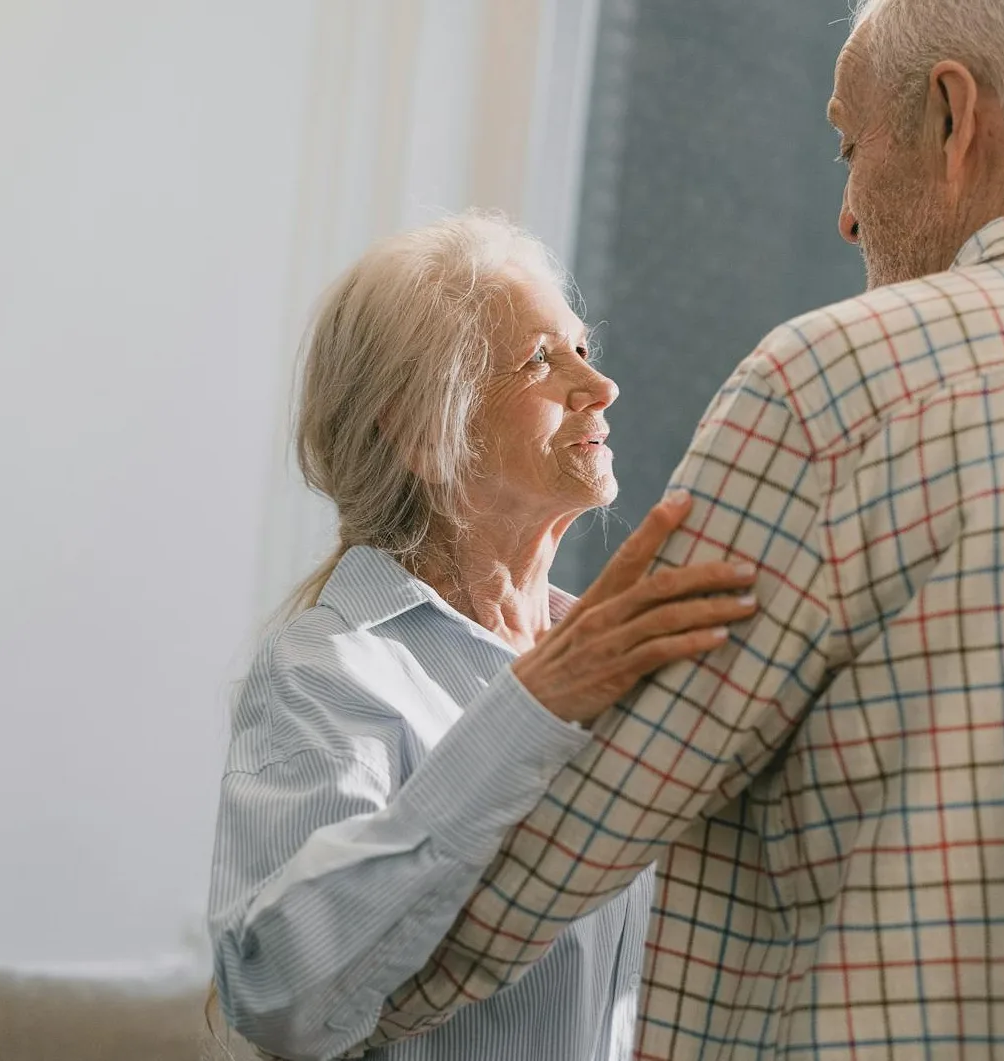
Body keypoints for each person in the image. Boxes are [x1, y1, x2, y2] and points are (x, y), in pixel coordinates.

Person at [365, 1, 1004, 1058]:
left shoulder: (834, 387)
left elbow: (556, 850)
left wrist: (322, 982)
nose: (847, 214)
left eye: (849, 146)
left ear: (952, 114)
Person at [204, 213, 759, 1061]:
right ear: (423, 433)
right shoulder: (328, 667)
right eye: (542, 359)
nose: (600, 384)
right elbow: (278, 993)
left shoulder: (619, 659)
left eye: (583, 346)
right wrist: (531, 709)